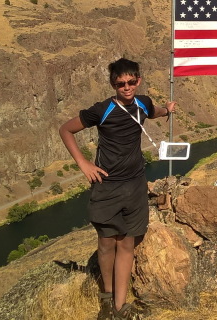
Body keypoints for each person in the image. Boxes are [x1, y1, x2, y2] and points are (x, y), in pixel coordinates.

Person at [58, 58, 176, 320]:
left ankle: (120, 307)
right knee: (106, 244)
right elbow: (66, 129)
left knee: (126, 244)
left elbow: (153, 111)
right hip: (107, 186)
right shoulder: (102, 110)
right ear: (113, 84)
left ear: (139, 81)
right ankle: (106, 298)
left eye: (131, 82)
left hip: (135, 184)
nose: (126, 87)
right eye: (120, 83)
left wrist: (167, 110)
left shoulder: (143, 102)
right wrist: (84, 163)